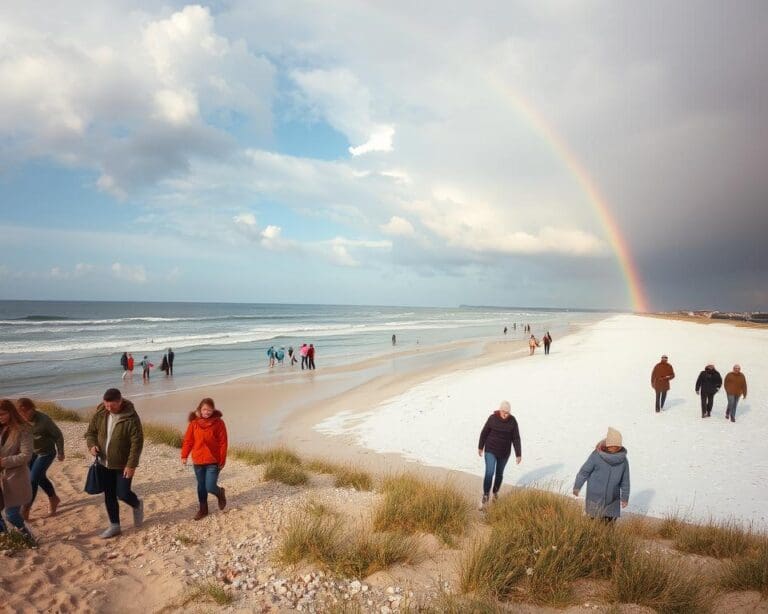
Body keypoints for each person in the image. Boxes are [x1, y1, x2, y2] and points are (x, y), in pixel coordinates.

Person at [85, 388, 144, 539]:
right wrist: (92, 445)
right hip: (103, 463)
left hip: (122, 464)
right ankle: (115, 526)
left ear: (120, 401)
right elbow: (91, 432)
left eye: (112, 406)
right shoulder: (100, 413)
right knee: (109, 495)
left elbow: (136, 444)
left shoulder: (131, 418)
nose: (108, 409)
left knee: (123, 493)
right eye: (106, 405)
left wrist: (131, 465)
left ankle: (137, 504)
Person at [181, 397, 228, 520]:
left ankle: (220, 493)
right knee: (201, 486)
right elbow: (188, 440)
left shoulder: (218, 423)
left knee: (210, 486)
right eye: (204, 409)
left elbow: (223, 442)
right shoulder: (194, 423)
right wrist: (184, 455)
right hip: (198, 460)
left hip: (213, 460)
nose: (207, 412)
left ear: (213, 410)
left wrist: (222, 460)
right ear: (200, 410)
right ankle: (203, 510)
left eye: (210, 410)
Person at [17, 398, 63, 521]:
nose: (23, 415)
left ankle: (25, 510)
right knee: (38, 476)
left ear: (32, 409)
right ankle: (54, 498)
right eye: (20, 413)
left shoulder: (44, 420)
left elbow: (58, 435)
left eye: (25, 412)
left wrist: (61, 452)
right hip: (32, 453)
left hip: (46, 452)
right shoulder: (19, 420)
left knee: (32, 479)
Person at [573, 427, 630, 522]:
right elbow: (584, 472)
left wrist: (625, 498)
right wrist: (577, 487)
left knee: (608, 527)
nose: (616, 448)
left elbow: (625, 481)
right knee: (593, 525)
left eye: (618, 446)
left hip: (612, 500)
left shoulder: (623, 461)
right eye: (614, 445)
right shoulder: (596, 456)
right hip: (594, 498)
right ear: (608, 444)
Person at [477, 400, 522, 509]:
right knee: (489, 472)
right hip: (490, 450)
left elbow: (516, 438)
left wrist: (518, 454)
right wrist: (480, 447)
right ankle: (486, 495)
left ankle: (495, 492)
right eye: (504, 412)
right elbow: (484, 432)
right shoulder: (492, 418)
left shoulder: (513, 421)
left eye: (507, 412)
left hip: (504, 452)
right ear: (500, 410)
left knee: (499, 474)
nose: (505, 414)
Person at [0, 399, 34, 539]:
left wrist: (3, 462)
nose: (0, 417)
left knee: (11, 514)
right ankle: (6, 537)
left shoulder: (23, 428)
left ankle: (27, 536)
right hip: (1, 477)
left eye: (2, 414)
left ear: (11, 412)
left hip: (15, 477)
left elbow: (26, 455)